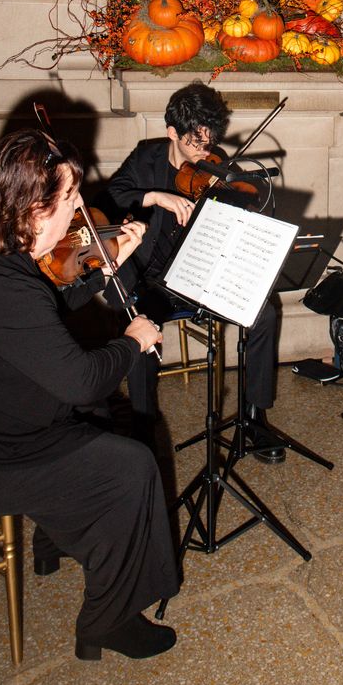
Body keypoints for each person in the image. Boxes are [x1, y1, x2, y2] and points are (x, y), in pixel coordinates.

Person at [0, 130, 179, 660]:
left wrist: (102, 271)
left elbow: (42, 309)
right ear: (34, 209)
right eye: (70, 197)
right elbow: (82, 378)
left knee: (96, 417)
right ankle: (110, 621)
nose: (80, 208)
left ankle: (57, 538)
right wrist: (132, 341)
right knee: (129, 467)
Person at [103, 81, 285, 462]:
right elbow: (110, 195)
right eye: (196, 142)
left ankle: (255, 416)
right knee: (140, 326)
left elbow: (243, 211)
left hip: (202, 271)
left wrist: (231, 197)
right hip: (155, 279)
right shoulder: (146, 157)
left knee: (264, 312)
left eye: (210, 141)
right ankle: (142, 428)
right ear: (172, 133)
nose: (206, 150)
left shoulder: (215, 164)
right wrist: (156, 197)